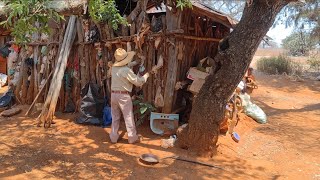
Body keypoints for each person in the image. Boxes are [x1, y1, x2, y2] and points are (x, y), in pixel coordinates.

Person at [109, 48, 150, 144]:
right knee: (128, 116)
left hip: (114, 95)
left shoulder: (114, 68)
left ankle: (113, 137)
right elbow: (138, 82)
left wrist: (136, 62)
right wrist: (146, 75)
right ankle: (132, 137)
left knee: (115, 117)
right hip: (123, 96)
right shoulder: (126, 71)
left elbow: (126, 65)